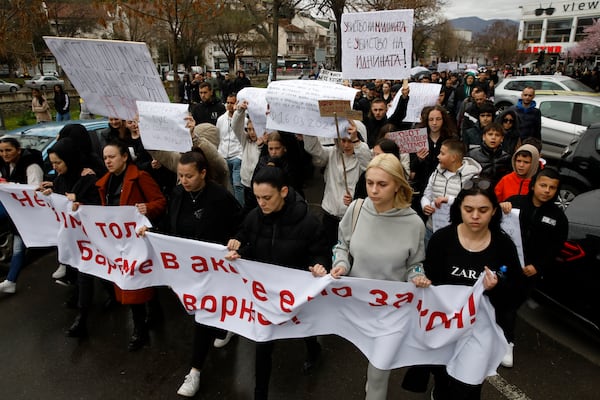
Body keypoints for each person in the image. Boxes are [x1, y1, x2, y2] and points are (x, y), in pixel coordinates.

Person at [313, 153, 428, 400]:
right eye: (369, 183)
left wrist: (417, 277)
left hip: (390, 311)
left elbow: (414, 264)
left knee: (379, 371)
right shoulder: (356, 209)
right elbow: (342, 245)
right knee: (369, 359)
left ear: (398, 184)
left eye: (382, 184)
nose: (373, 190)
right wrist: (341, 264)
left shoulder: (414, 224)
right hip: (357, 305)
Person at [141, 149, 242, 397]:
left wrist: (236, 241)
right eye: (180, 176)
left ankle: (195, 371)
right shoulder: (177, 194)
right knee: (200, 311)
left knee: (202, 316)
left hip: (216, 270)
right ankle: (223, 327)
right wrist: (150, 231)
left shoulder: (220, 197)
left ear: (203, 173)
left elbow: (242, 225)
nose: (184, 181)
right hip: (187, 268)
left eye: (189, 176)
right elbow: (168, 224)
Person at [225, 166, 330, 400]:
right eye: (257, 197)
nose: (261, 203)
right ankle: (260, 392)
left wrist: (319, 265)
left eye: (267, 198)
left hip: (296, 292)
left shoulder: (309, 223)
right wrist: (237, 246)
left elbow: (321, 253)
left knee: (304, 326)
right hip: (266, 294)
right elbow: (245, 236)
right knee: (263, 343)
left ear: (283, 192)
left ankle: (313, 349)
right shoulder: (254, 217)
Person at [418, 177, 525, 400]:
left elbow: (516, 292)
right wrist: (421, 280)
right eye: (469, 209)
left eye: (483, 210)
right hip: (445, 324)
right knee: (442, 374)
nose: (475, 216)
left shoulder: (503, 244)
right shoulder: (442, 239)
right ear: (459, 209)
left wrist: (496, 287)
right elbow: (430, 278)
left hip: (480, 329)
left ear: (494, 211)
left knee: (469, 385)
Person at [95, 140, 166, 351]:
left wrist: (147, 207)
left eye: (112, 156)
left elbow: (160, 202)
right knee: (134, 282)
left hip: (139, 240)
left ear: (125, 157)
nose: (108, 161)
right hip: (118, 242)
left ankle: (140, 330)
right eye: (105, 157)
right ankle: (154, 314)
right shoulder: (106, 182)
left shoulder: (140, 177)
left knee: (135, 284)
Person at [499, 168, 568, 368]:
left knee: (512, 305)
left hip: (528, 272)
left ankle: (507, 342)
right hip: (504, 265)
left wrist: (538, 266)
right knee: (495, 301)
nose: (547, 190)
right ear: (533, 184)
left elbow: (556, 247)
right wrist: (502, 207)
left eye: (552, 188)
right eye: (543, 185)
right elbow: (496, 226)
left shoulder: (558, 218)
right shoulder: (515, 202)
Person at [38, 138, 102, 335]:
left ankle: (82, 319)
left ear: (70, 160)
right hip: (73, 238)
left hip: (91, 239)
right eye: (52, 163)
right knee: (83, 274)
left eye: (59, 162)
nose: (55, 167)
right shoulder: (60, 179)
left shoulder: (88, 179)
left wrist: (81, 204)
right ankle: (105, 297)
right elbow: (59, 195)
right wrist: (50, 193)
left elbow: (99, 206)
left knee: (85, 275)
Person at [302, 120, 371, 252]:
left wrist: (356, 140)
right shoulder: (331, 153)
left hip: (352, 217)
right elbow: (313, 149)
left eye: (350, 141)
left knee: (349, 251)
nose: (345, 145)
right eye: (342, 140)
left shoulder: (363, 155)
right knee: (329, 249)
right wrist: (309, 127)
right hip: (330, 214)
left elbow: (368, 165)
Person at [0, 137, 44, 294]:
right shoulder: (6, 164)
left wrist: (10, 186)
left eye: (8, 150)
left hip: (31, 215)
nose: (4, 154)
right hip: (17, 214)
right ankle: (10, 281)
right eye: (1, 151)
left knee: (20, 248)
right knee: (18, 248)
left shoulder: (31, 165)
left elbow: (35, 190)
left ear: (18, 150)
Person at [421, 138, 481, 246]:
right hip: (432, 228)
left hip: (457, 232)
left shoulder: (471, 177)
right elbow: (427, 194)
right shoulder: (436, 172)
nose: (438, 156)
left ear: (454, 157)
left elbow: (473, 202)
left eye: (442, 153)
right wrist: (425, 205)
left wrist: (449, 199)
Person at [410, 105, 458, 219]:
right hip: (422, 184)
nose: (434, 123)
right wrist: (419, 159)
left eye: (438, 119)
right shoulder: (418, 138)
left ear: (443, 120)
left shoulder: (451, 138)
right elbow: (412, 168)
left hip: (443, 185)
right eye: (431, 119)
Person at [217, 93, 245, 205]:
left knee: (238, 185)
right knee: (227, 185)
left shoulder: (244, 120)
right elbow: (219, 137)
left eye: (232, 103)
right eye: (227, 102)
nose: (229, 105)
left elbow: (243, 138)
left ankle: (240, 208)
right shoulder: (220, 120)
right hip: (223, 156)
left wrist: (240, 155)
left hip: (237, 156)